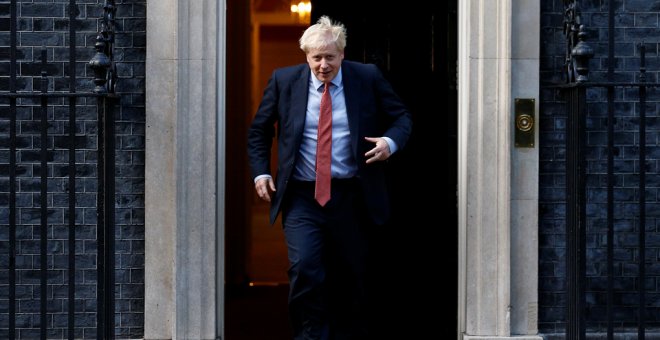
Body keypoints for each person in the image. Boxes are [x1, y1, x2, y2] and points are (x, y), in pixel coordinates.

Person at [247, 15, 412, 340]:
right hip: (302, 197)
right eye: (316, 58)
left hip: (352, 196)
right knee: (306, 268)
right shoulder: (284, 81)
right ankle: (310, 336)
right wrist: (262, 172)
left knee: (351, 274)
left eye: (330, 57)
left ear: (342, 54)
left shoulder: (366, 77)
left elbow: (401, 116)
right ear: (306, 56)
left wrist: (389, 142)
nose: (323, 65)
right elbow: (260, 130)